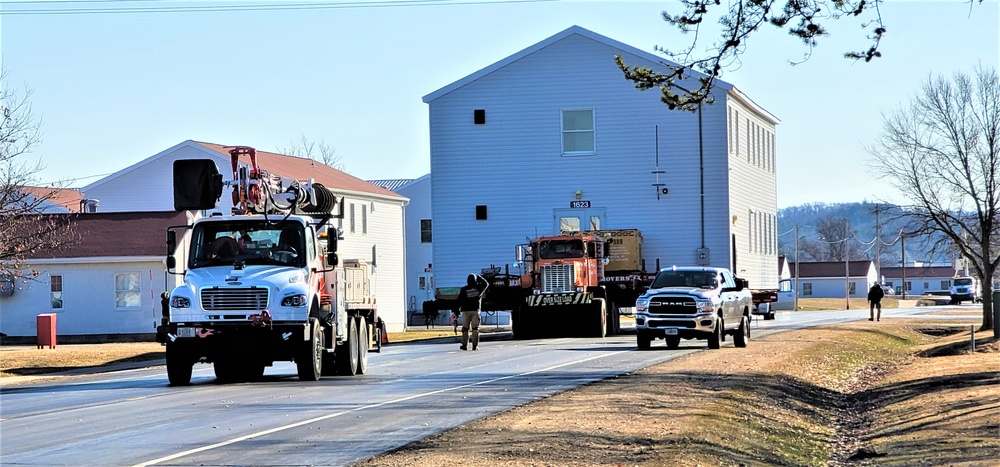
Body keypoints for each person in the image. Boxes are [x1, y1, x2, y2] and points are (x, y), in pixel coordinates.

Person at [458, 273, 489, 351]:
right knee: (475, 329)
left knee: (465, 328)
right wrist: (479, 277)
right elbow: (486, 284)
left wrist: (457, 310)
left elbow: (459, 300)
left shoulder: (464, 289)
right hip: (475, 310)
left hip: (465, 311)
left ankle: (464, 345)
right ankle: (475, 346)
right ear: (475, 280)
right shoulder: (479, 288)